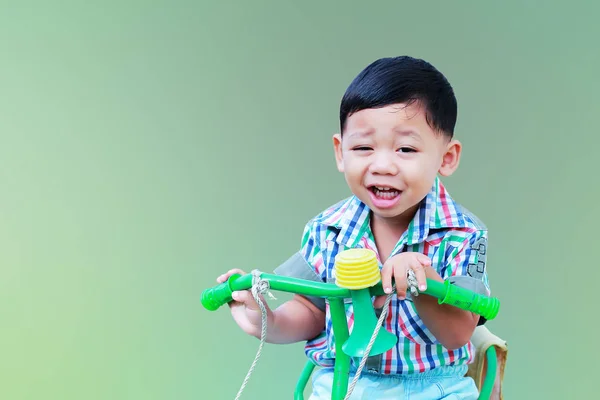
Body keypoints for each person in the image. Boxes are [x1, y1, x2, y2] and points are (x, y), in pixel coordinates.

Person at [217, 56, 491, 399]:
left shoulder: (462, 233)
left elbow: (458, 333)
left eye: (406, 148)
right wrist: (263, 319)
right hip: (343, 383)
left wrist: (425, 282)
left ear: (446, 158)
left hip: (432, 387)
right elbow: (311, 312)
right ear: (340, 152)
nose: (383, 165)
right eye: (363, 148)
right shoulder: (328, 230)